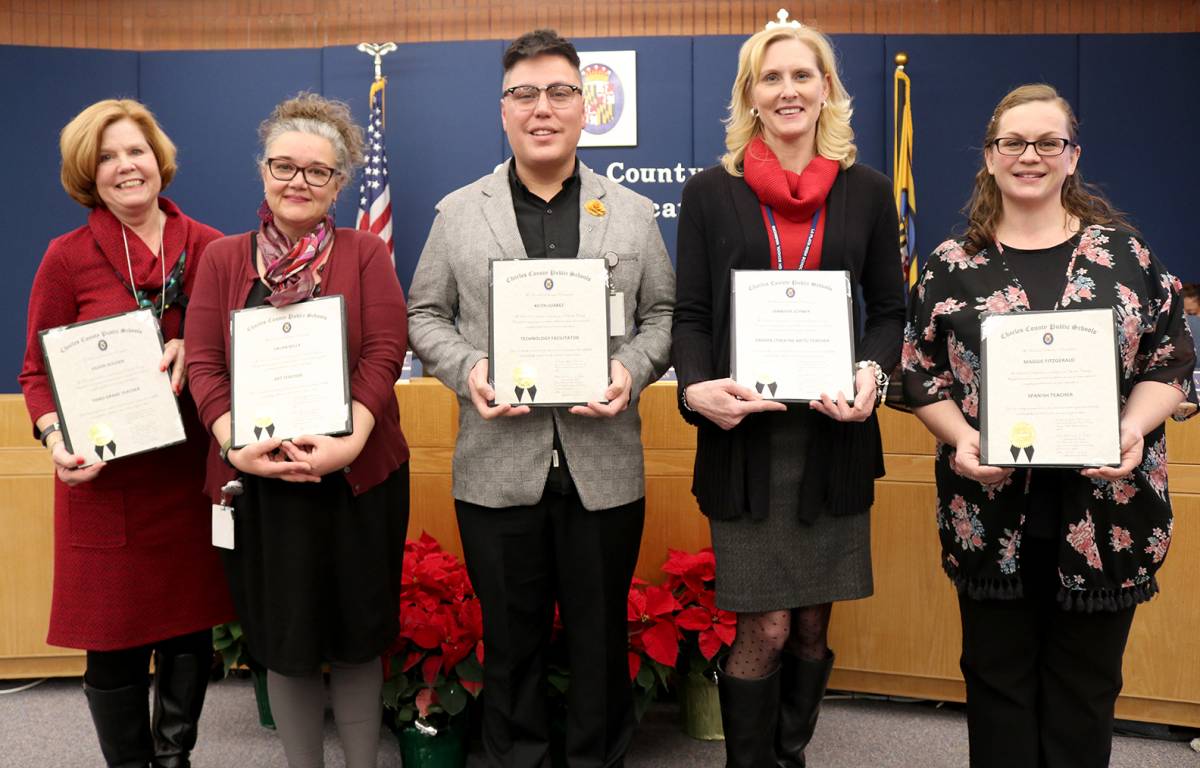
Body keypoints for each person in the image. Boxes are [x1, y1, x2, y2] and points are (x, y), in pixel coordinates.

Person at [902, 83, 1197, 767]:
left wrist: (1131, 427)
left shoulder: (1125, 256)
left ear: (1072, 157)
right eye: (1013, 142)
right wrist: (960, 438)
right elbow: (920, 373)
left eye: (1047, 142)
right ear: (989, 156)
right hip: (989, 512)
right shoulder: (950, 268)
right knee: (997, 687)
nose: (1029, 155)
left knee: (1085, 692)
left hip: (1107, 512)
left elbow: (1171, 359)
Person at [407, 28, 674, 768]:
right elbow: (424, 314)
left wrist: (632, 370)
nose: (542, 109)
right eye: (524, 94)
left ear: (584, 107)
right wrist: (469, 371)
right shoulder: (459, 212)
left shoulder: (632, 214)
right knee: (511, 644)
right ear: (503, 111)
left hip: (604, 466)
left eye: (559, 92)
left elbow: (662, 317)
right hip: (496, 468)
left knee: (597, 642)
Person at [671, 21, 904, 768]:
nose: (788, 90)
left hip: (833, 439)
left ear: (827, 88)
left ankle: (789, 755)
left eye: (803, 75)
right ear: (750, 95)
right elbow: (693, 316)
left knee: (809, 627)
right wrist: (696, 388)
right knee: (763, 627)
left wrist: (873, 376)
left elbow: (889, 309)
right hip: (747, 443)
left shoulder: (867, 192)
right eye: (770, 78)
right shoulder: (711, 193)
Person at [185, 93, 410, 768]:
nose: (298, 182)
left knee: (358, 636)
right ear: (262, 172)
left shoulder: (366, 252)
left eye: (317, 172)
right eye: (285, 166)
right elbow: (203, 364)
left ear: (339, 184)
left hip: (357, 480)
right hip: (261, 485)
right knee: (284, 641)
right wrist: (235, 446)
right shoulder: (224, 261)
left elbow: (384, 352)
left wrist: (350, 442)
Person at [18, 98, 232, 768]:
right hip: (105, 486)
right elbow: (35, 372)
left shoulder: (210, 248)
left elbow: (240, 352)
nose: (124, 167)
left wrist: (197, 350)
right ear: (90, 174)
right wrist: (55, 442)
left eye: (134, 151)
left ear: (158, 159)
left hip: (186, 481)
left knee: (187, 636)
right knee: (110, 643)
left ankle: (174, 760)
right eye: (106, 157)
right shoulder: (67, 258)